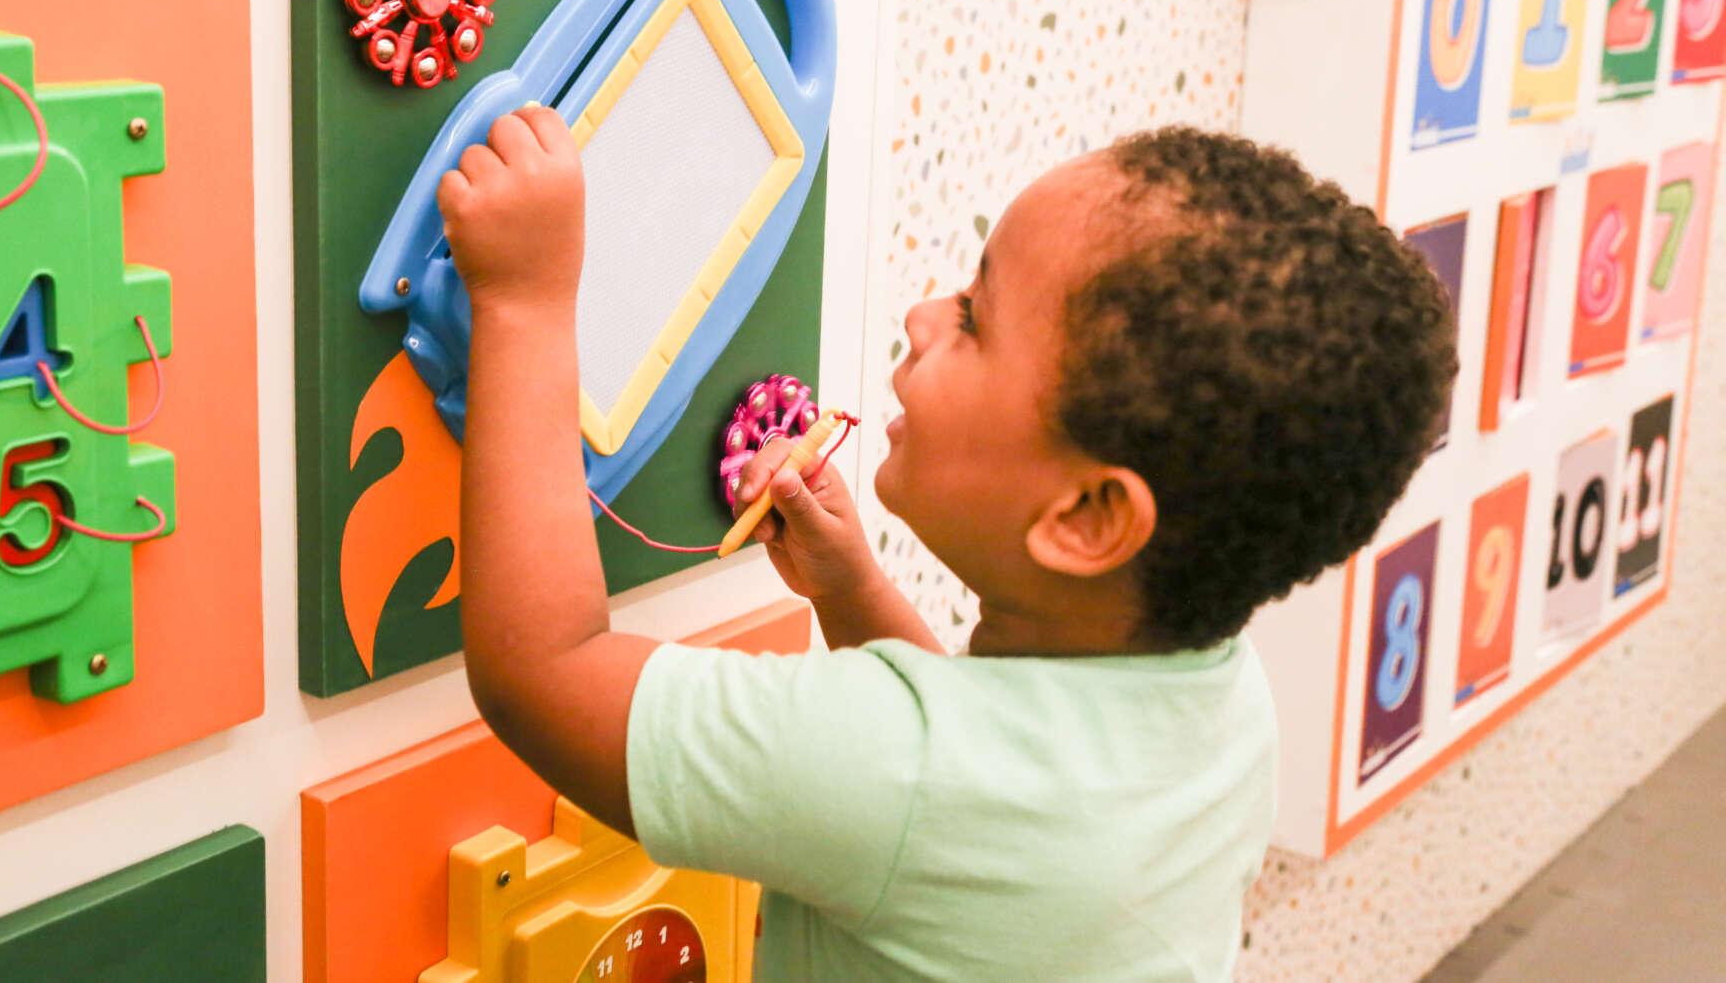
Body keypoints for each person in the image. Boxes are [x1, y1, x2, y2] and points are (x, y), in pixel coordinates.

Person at [438, 109, 1457, 982]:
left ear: (1087, 519)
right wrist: (852, 593)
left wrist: (524, 300)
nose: (924, 317)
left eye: (973, 317)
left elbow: (543, 668)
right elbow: (985, 786)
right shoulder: (1223, 704)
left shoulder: (898, 776)